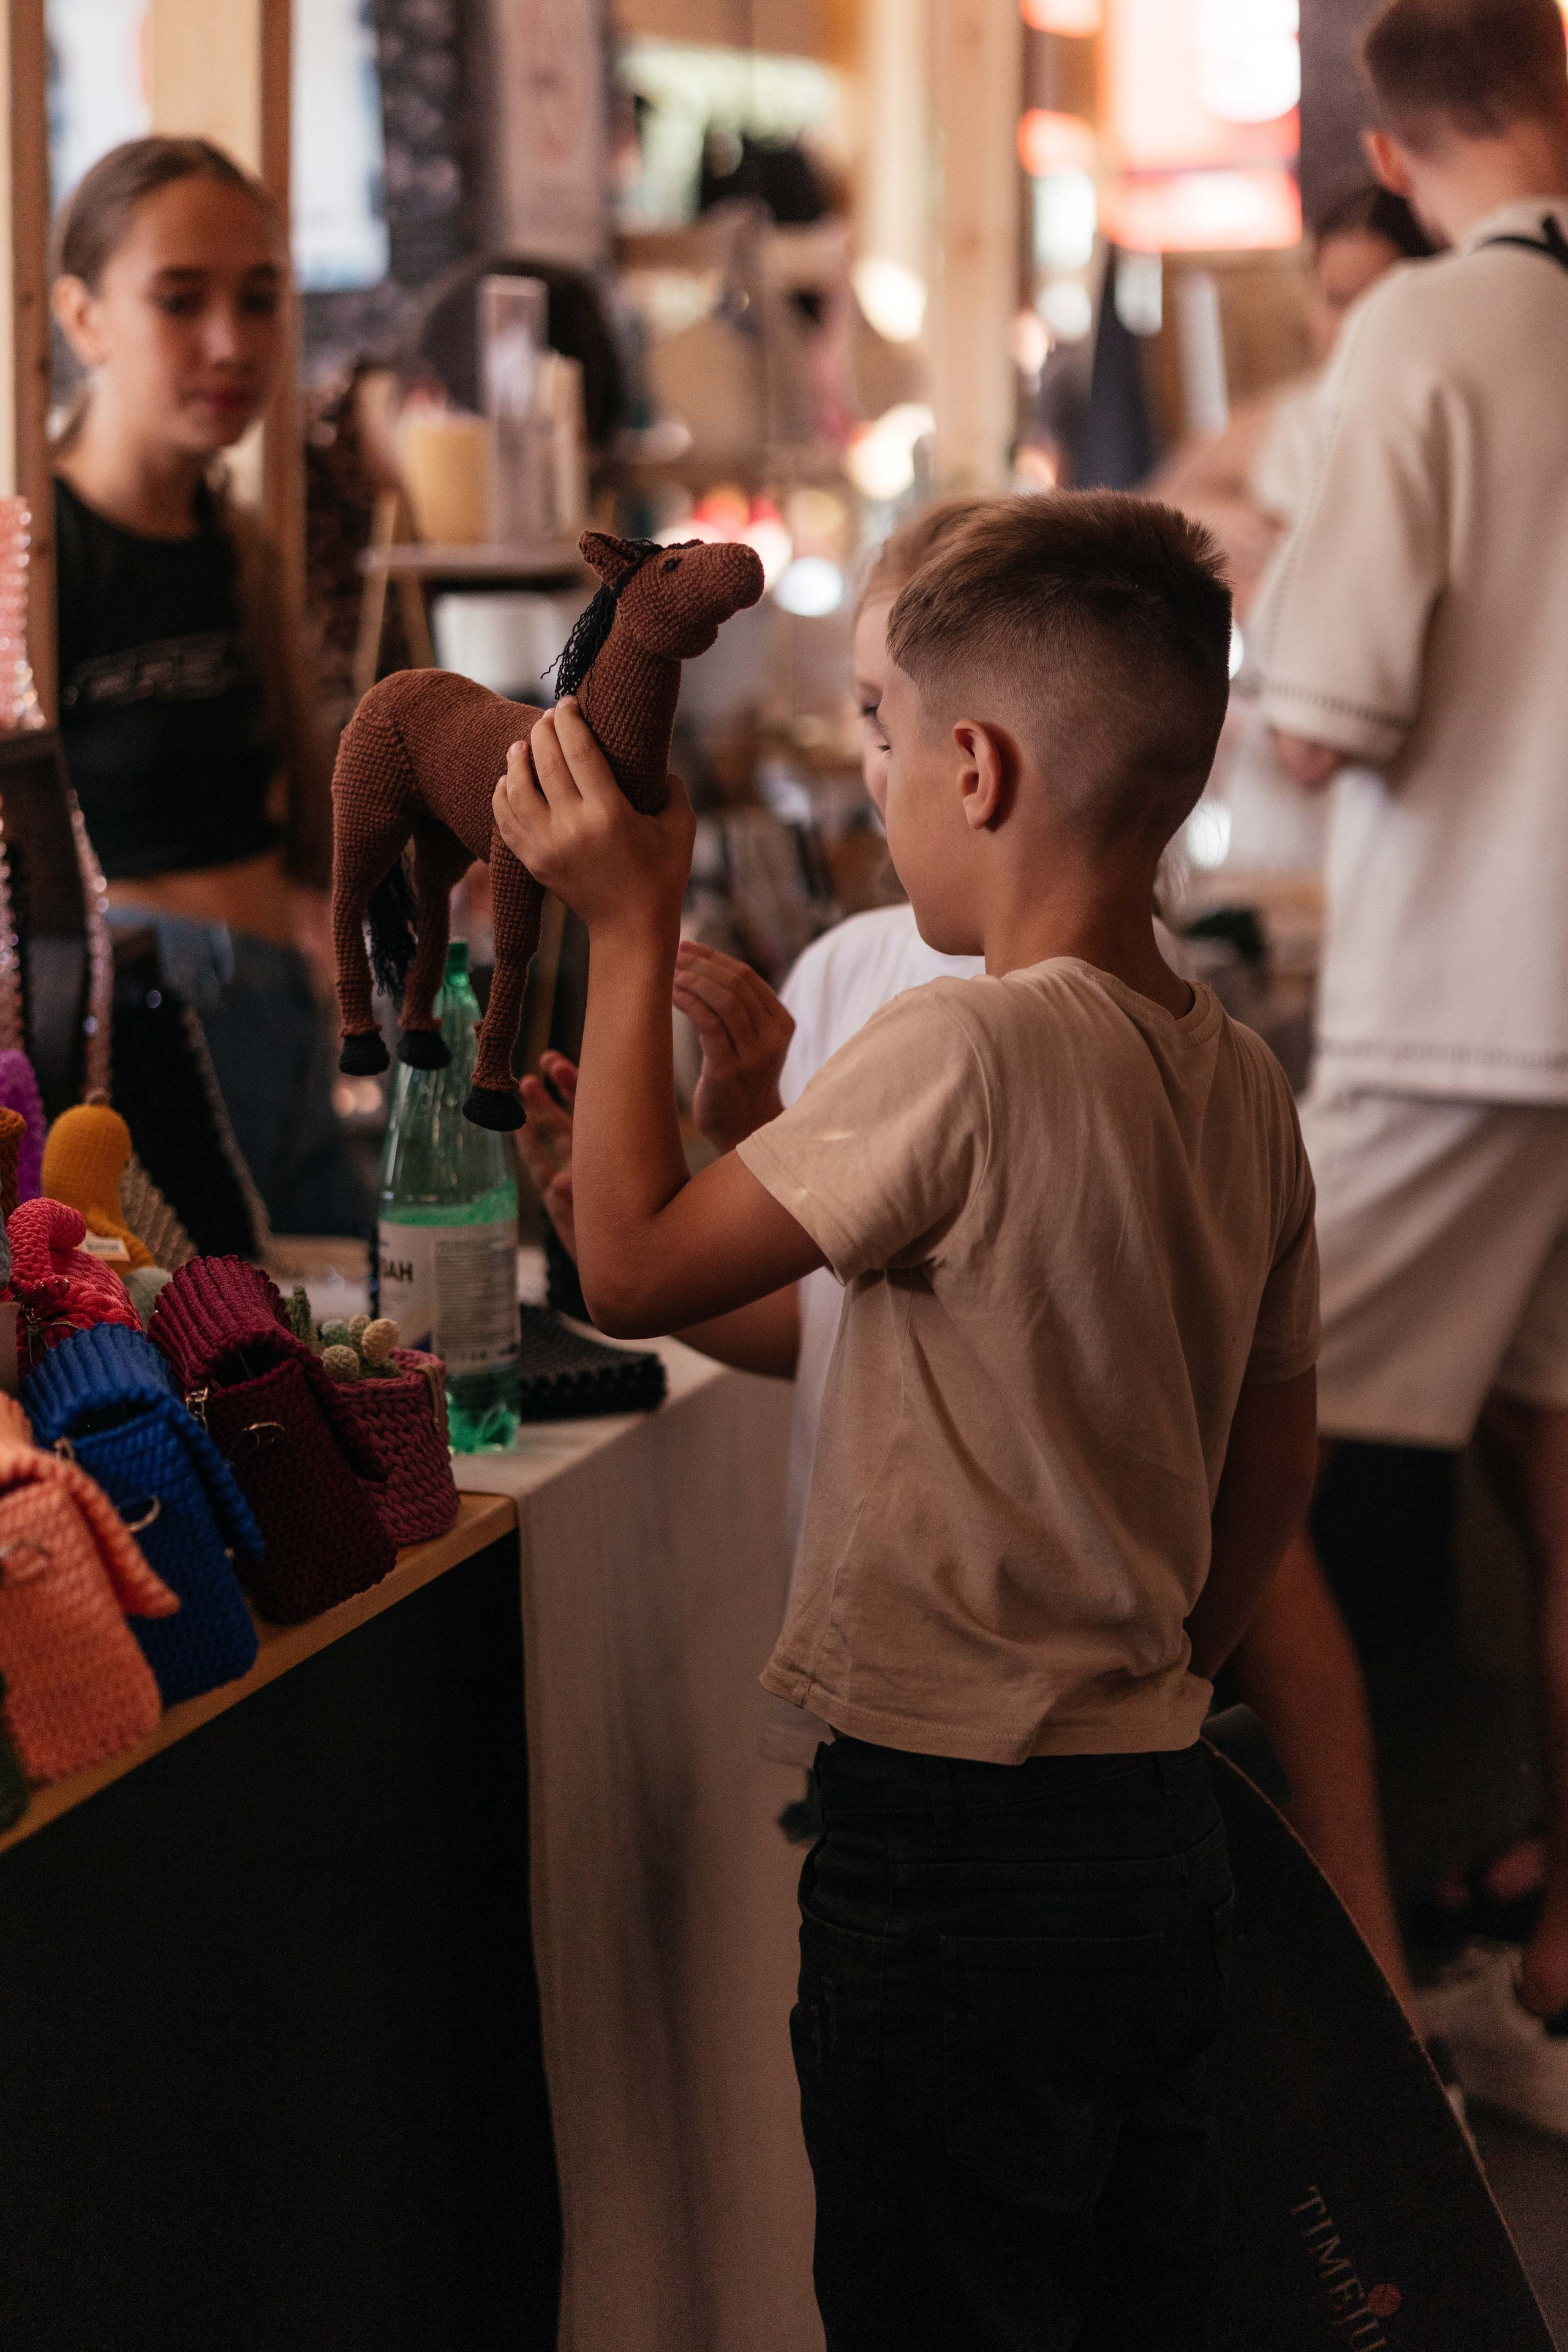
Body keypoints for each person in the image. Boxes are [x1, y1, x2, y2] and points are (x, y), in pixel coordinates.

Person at [495, 492, 1320, 2348]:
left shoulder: (960, 1043)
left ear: (978, 762)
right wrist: (1168, 1654)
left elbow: (629, 1276)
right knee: (1132, 2298)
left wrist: (631, 924)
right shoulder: (1239, 1085)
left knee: (940, 2298)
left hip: (953, 1849)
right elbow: (1264, 1438)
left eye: (884, 735)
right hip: (1148, 1825)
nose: (871, 785)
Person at [1251, 0, 1568, 2133]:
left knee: (1227, 1444)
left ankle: (1344, 2010)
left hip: (1470, 994)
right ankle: (1554, 1983)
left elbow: (1318, 718)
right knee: (1567, 1485)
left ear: (1381, 130)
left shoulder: (1431, 336)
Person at [50, 136, 368, 1237]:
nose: (231, 344)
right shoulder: (33, 558)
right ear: (82, 318)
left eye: (261, 297)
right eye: (179, 301)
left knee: (375, 1357)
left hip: (284, 1014)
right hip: (133, 1053)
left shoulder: (239, 546)